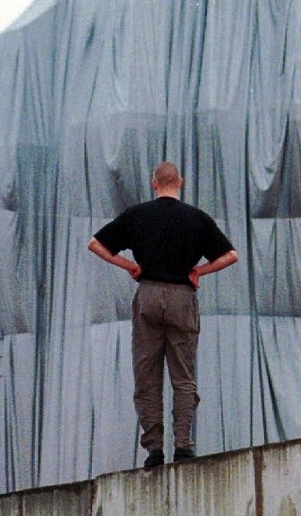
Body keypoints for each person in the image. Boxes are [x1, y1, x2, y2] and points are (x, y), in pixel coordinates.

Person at [88, 162, 238, 469]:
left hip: (149, 295)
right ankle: (183, 445)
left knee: (147, 375)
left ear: (154, 184)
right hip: (183, 295)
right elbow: (230, 255)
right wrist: (199, 271)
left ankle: (153, 449)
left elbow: (96, 244)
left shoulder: (137, 214)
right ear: (179, 183)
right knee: (183, 376)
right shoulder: (196, 218)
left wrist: (129, 266)